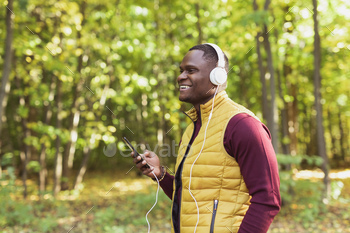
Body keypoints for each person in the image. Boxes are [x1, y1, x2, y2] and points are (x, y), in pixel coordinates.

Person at [133, 43, 281, 233]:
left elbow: (268, 199)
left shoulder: (243, 125)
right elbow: (190, 197)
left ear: (216, 76)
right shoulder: (191, 130)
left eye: (191, 70)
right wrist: (160, 175)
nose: (180, 77)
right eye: (181, 71)